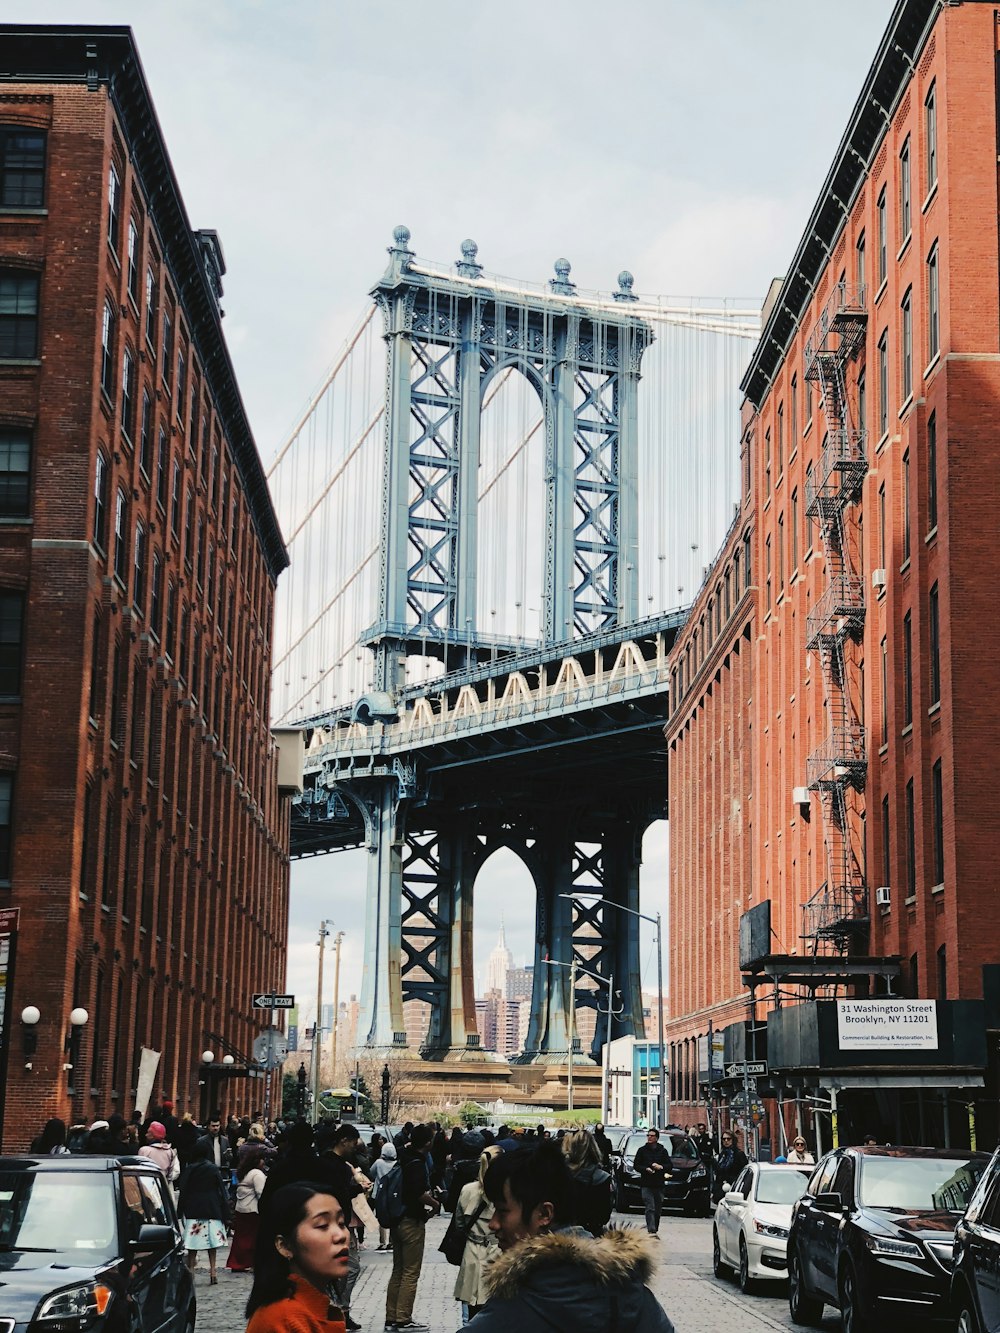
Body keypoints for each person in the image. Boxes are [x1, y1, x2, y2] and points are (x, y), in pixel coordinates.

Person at [465, 1142, 673, 1332]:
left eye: (502, 1211)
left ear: (545, 1214)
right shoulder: (628, 1288)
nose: (493, 1224)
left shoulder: (518, 1300)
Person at [244, 1183, 351, 1333]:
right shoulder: (282, 1319)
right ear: (284, 1246)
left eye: (341, 1223)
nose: (341, 1236)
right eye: (322, 1225)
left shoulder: (312, 1310)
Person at [385, 1121, 440, 1333]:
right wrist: (435, 1204)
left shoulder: (403, 1157)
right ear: (427, 1143)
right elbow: (418, 1192)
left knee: (398, 1269)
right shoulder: (417, 1163)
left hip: (397, 1219)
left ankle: (392, 1315)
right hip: (412, 1221)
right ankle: (404, 1318)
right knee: (410, 1271)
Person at [452, 1146, 500, 1322]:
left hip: (472, 1249)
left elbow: (459, 1223)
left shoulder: (467, 1190)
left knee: (471, 1308)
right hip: (498, 1252)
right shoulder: (508, 1192)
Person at [325, 1125, 363, 1332]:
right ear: (344, 1140)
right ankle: (340, 1309)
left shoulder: (326, 1162)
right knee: (351, 1268)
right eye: (353, 1143)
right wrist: (358, 1189)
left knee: (342, 1269)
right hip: (339, 1224)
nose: (355, 1148)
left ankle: (340, 1310)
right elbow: (340, 1193)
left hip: (334, 1223)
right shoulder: (338, 1166)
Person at [178, 1139, 231, 1283]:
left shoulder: (190, 1169)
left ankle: (191, 1272)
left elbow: (183, 1190)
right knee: (212, 1243)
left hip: (194, 1207)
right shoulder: (213, 1168)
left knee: (192, 1244)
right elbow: (221, 1191)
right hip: (212, 1206)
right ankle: (213, 1272)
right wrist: (226, 1213)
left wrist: (179, 1211)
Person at [561, 1130, 613, 1236]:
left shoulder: (559, 1175)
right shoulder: (601, 1178)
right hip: (591, 1235)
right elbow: (604, 1216)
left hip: (560, 1235)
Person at [228, 1147, 268, 1273]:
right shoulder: (257, 1174)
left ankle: (237, 1262)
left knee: (240, 1239)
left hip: (241, 1208)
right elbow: (261, 1193)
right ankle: (250, 1262)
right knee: (252, 1239)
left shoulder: (244, 1172)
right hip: (252, 1209)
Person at [633, 1128, 672, 1237]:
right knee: (650, 1207)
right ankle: (651, 1230)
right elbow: (636, 1165)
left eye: (652, 1135)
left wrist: (661, 1167)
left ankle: (655, 1227)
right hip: (646, 1183)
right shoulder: (642, 1150)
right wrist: (646, 1169)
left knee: (657, 1209)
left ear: (656, 1138)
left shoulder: (662, 1151)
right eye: (648, 1135)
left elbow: (669, 1166)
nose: (649, 1137)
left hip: (659, 1184)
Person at [138, 1121, 180, 1192]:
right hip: (164, 1189)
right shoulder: (170, 1152)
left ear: (153, 1135)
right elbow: (173, 1173)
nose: (146, 1135)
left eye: (148, 1133)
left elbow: (139, 1172)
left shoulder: (144, 1150)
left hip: (147, 1189)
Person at [371, 1141, 397, 1250]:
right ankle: (391, 1241)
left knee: (381, 1217)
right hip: (392, 1194)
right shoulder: (396, 1164)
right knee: (392, 1216)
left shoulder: (378, 1163)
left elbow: (371, 1172)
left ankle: (382, 1242)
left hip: (379, 1194)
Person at [712, 1130, 748, 1202]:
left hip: (734, 1189)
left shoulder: (739, 1154)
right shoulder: (722, 1155)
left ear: (733, 1140)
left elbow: (744, 1173)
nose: (726, 1141)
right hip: (721, 1190)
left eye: (728, 1139)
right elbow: (718, 1174)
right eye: (724, 1139)